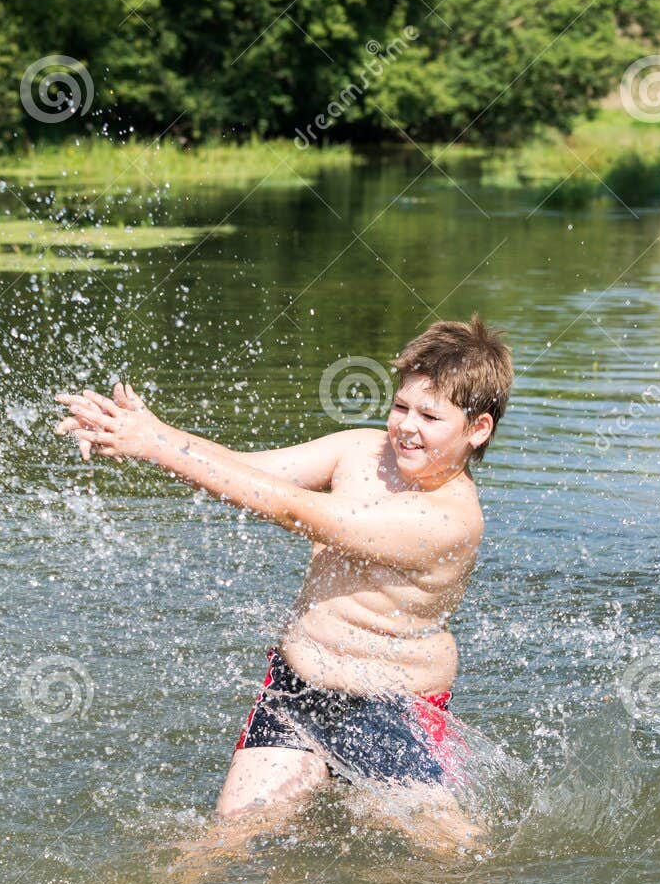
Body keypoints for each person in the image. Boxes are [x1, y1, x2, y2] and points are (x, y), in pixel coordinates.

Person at [54, 313, 513, 856]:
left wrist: (157, 442)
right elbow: (253, 473)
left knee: (444, 856)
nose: (406, 426)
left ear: (477, 428)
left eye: (430, 416)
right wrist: (139, 436)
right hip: (299, 687)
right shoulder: (362, 451)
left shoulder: (448, 520)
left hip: (392, 707)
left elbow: (293, 511)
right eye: (400, 406)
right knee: (228, 835)